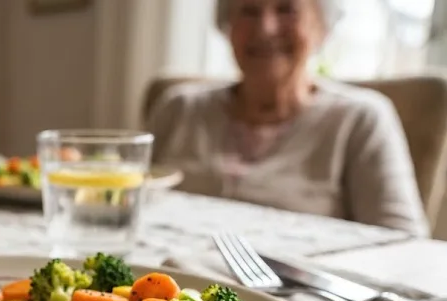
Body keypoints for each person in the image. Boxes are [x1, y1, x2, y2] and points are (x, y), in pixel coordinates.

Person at [146, 0, 430, 236]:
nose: (265, 28)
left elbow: (403, 244)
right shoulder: (179, 108)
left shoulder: (361, 120)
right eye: (248, 10)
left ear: (321, 28)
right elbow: (131, 208)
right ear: (227, 25)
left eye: (286, 9)